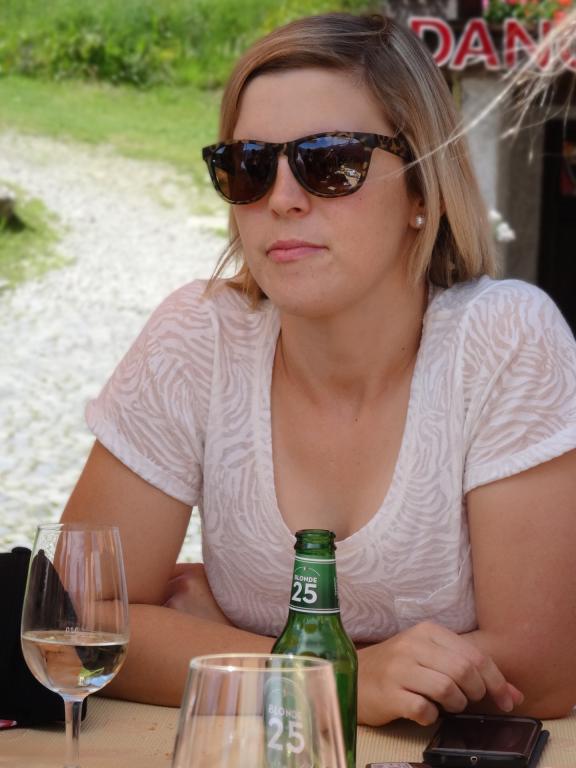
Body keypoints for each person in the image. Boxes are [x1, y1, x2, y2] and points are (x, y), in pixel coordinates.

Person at [61, 12, 576, 727]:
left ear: (422, 189)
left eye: (331, 162)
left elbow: (544, 668)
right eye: (248, 166)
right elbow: (75, 624)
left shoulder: (504, 341)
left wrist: (223, 649)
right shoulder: (198, 337)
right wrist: (331, 679)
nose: (281, 199)